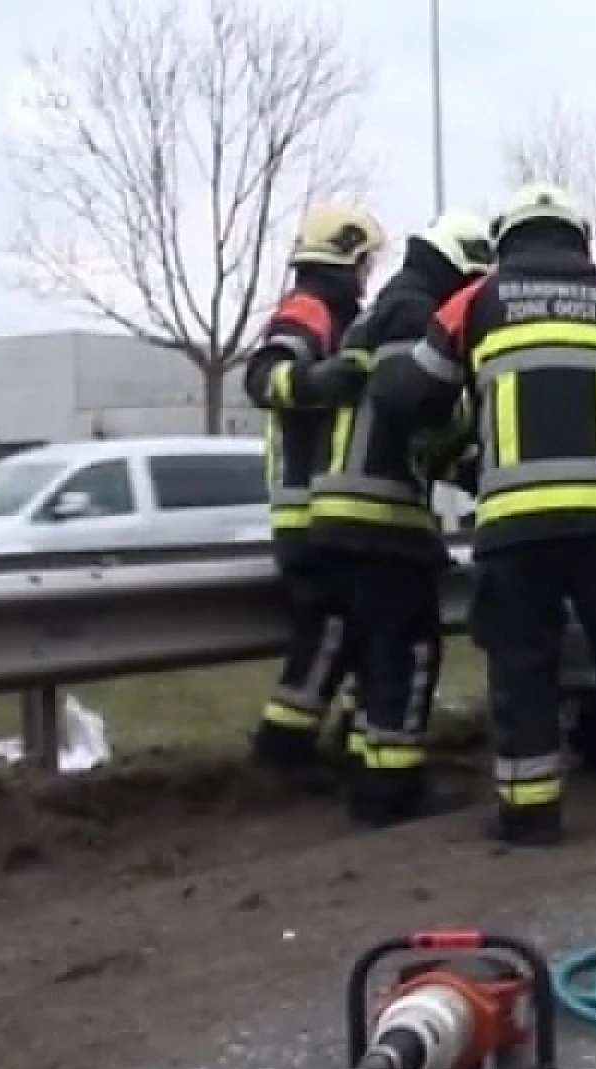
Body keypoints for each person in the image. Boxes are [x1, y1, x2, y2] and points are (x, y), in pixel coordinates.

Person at [376, 182, 596, 846]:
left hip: (518, 526)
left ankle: (530, 813)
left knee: (523, 667)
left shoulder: (475, 301)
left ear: (506, 239)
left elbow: (414, 394)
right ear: (577, 236)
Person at [307, 210, 495, 826]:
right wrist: (470, 451)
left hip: (344, 511)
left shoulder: (385, 307)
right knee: (406, 652)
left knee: (373, 654)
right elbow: (411, 406)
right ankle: (390, 790)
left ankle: (369, 770)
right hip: (380, 515)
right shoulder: (416, 313)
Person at [241, 204, 387, 782]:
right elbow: (263, 378)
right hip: (306, 510)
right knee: (326, 632)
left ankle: (340, 743)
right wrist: (321, 381)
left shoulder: (341, 313)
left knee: (348, 632)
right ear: (348, 258)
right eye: (366, 262)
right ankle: (284, 749)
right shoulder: (311, 307)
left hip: (325, 507)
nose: (369, 273)